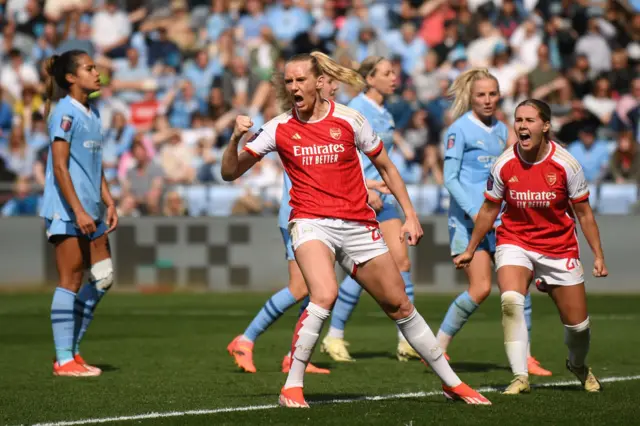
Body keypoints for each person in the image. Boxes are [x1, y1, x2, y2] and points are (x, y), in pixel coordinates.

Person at [221, 51, 490, 408]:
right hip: (310, 223)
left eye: (300, 79)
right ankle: (292, 386)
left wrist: (409, 214)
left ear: (319, 83)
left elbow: (388, 168)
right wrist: (234, 139)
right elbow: (230, 172)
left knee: (399, 303)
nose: (293, 86)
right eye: (288, 81)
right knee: (323, 293)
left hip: (358, 224)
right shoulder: (278, 127)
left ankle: (451, 383)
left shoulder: (350, 119)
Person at [454, 99, 607, 394]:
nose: (522, 126)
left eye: (530, 120)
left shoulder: (566, 164)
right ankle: (520, 376)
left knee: (578, 328)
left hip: (558, 247)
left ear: (545, 126)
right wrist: (472, 248)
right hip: (515, 240)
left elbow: (584, 214)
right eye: (518, 120)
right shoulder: (503, 164)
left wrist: (598, 255)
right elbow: (488, 210)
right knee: (511, 301)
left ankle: (577, 364)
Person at [435, 68, 552, 377]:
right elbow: (450, 179)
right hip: (468, 221)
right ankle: (436, 348)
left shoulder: (502, 129)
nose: (488, 100)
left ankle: (526, 357)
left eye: (492, 94)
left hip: (500, 221)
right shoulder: (458, 130)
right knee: (481, 289)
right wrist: (476, 213)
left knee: (518, 288)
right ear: (470, 98)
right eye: (481, 95)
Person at [226, 75, 340, 375]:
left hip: (323, 214)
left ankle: (294, 355)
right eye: (328, 82)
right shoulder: (294, 122)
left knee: (320, 289)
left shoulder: (331, 120)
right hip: (298, 214)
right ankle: (246, 339)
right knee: (301, 287)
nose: (335, 88)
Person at [320, 56, 420, 363]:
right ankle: (335, 335)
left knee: (400, 262)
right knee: (367, 267)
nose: (394, 77)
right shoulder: (356, 109)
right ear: (369, 79)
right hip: (360, 197)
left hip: (383, 198)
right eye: (387, 72)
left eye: (394, 72)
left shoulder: (385, 113)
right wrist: (365, 187)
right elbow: (342, 158)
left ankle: (406, 340)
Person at [40, 50, 118, 377]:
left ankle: (72, 350)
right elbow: (59, 166)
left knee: (103, 278)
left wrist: (109, 200)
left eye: (95, 67)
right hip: (67, 211)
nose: (96, 72)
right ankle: (63, 359)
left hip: (92, 210)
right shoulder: (64, 112)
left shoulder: (93, 112)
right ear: (71, 78)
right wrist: (77, 209)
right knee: (70, 279)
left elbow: (94, 166)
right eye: (89, 68)